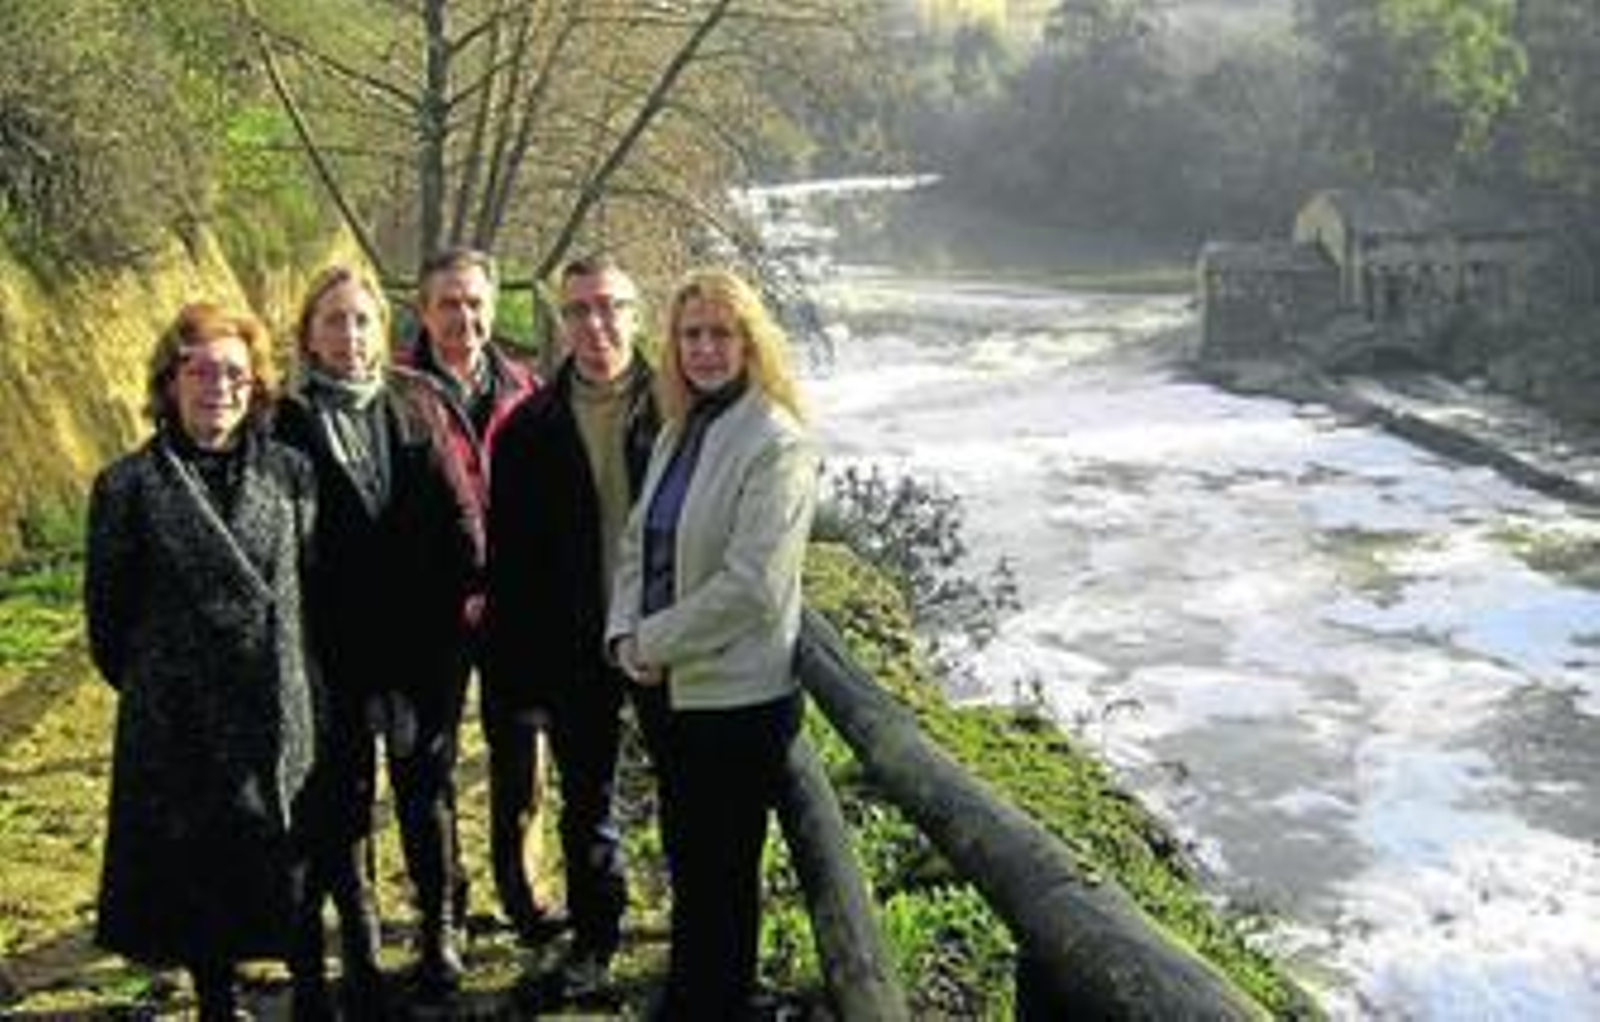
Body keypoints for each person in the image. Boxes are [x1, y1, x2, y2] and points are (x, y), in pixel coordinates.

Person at [84, 302, 319, 1020]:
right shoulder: (126, 486)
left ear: (257, 386)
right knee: (194, 869)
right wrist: (162, 682)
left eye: (236, 374)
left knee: (283, 859)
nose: (220, 387)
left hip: (273, 702)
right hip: (177, 715)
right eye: (203, 372)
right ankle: (216, 998)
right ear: (170, 380)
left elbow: (305, 585)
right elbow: (108, 619)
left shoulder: (291, 473)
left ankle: (307, 990)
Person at [606, 269, 819, 1020]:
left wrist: (652, 640)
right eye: (691, 335)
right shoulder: (679, 428)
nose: (704, 349)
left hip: (736, 700)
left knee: (724, 875)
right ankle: (689, 996)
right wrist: (623, 635)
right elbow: (637, 544)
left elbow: (752, 587)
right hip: (668, 688)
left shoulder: (777, 442)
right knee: (689, 863)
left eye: (720, 334)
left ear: (751, 343)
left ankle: (716, 1003)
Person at [275, 266, 480, 1007]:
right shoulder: (283, 422)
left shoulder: (418, 400)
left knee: (426, 791)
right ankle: (360, 944)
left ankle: (438, 929)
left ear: (383, 329)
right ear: (309, 335)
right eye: (334, 321)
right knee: (342, 799)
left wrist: (464, 609)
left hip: (422, 647)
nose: (350, 335)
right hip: (332, 650)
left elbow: (461, 514)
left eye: (362, 320)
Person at [485, 254, 662, 998]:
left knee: (691, 796)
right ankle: (595, 942)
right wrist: (520, 675)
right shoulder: (529, 428)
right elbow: (511, 563)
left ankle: (704, 947)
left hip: (670, 639)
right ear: (561, 321)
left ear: (636, 315)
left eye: (611, 306)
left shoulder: (679, 408)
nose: (597, 323)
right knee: (587, 804)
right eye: (580, 309)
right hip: (574, 643)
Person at [398, 247, 542, 956]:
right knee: (428, 763)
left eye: (476, 302)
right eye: (449, 304)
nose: (465, 318)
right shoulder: (395, 391)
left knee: (520, 754)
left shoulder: (526, 388)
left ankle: (522, 891)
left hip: (513, 608)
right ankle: (442, 911)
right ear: (423, 312)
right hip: (430, 612)